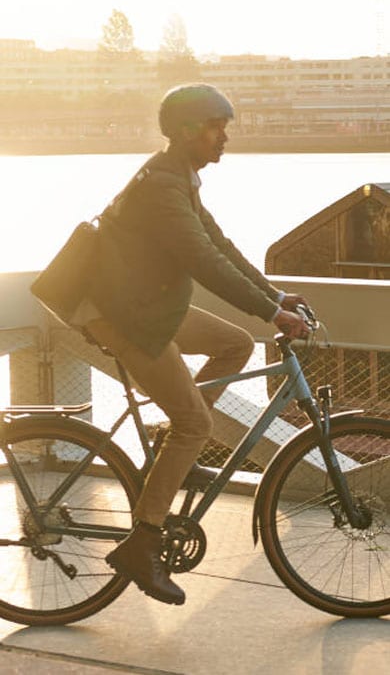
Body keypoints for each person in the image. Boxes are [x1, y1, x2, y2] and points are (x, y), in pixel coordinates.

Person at [78, 83, 309, 607]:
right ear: (185, 131)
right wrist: (273, 313)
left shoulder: (180, 176)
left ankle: (169, 448)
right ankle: (143, 543)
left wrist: (273, 294)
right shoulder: (162, 186)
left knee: (234, 343)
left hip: (149, 305)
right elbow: (203, 261)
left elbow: (220, 245)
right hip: (125, 315)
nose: (224, 137)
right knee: (197, 425)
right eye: (215, 127)